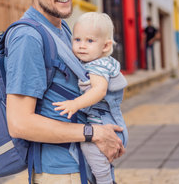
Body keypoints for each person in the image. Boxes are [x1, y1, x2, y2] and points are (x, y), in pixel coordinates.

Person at [5, 0, 124, 184]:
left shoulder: (62, 29)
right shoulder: (28, 37)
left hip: (79, 167)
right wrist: (93, 133)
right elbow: (19, 123)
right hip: (59, 173)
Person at [53, 12, 128, 184]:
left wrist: (74, 104)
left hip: (104, 121)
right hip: (104, 121)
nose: (82, 46)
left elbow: (99, 91)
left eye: (90, 41)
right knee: (94, 158)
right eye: (77, 40)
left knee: (88, 145)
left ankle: (105, 181)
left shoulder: (97, 66)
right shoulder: (94, 62)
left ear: (105, 45)